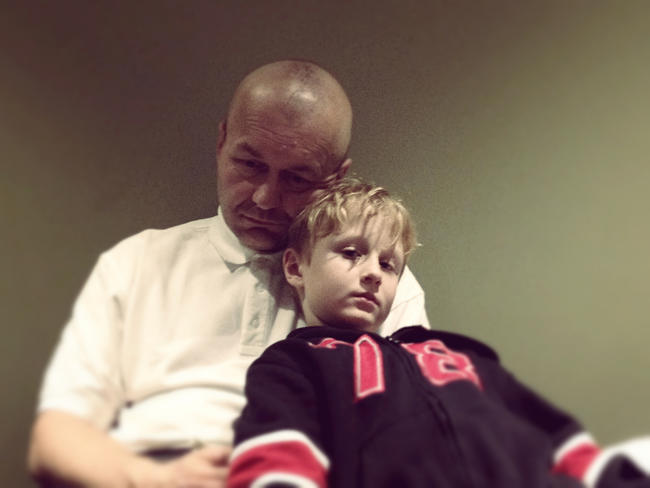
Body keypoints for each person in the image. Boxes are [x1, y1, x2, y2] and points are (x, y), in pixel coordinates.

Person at [27, 61, 429, 487]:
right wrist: (149, 477)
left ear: (335, 178)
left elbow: (417, 442)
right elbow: (54, 439)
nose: (265, 198)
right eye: (250, 165)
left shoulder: (379, 286)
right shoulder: (138, 262)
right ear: (221, 142)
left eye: (297, 178)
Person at [227, 178, 650, 488]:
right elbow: (278, 454)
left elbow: (553, 433)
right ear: (295, 267)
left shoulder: (456, 352)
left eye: (388, 264)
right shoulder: (294, 363)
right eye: (351, 253)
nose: (373, 273)